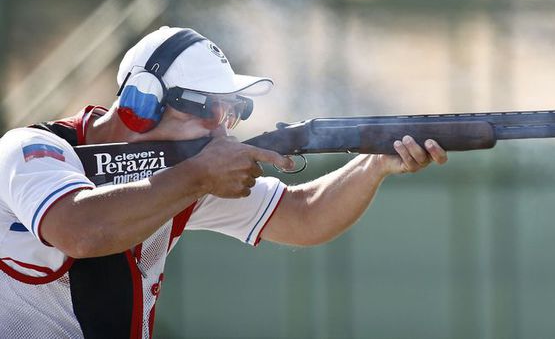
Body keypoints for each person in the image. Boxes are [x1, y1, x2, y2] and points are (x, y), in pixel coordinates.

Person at [0, 26, 447, 338]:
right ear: (142, 103)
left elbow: (305, 216)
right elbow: (80, 229)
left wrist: (373, 166)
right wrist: (196, 177)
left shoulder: (183, 178)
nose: (223, 128)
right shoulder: (30, 151)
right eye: (208, 109)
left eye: (231, 111)